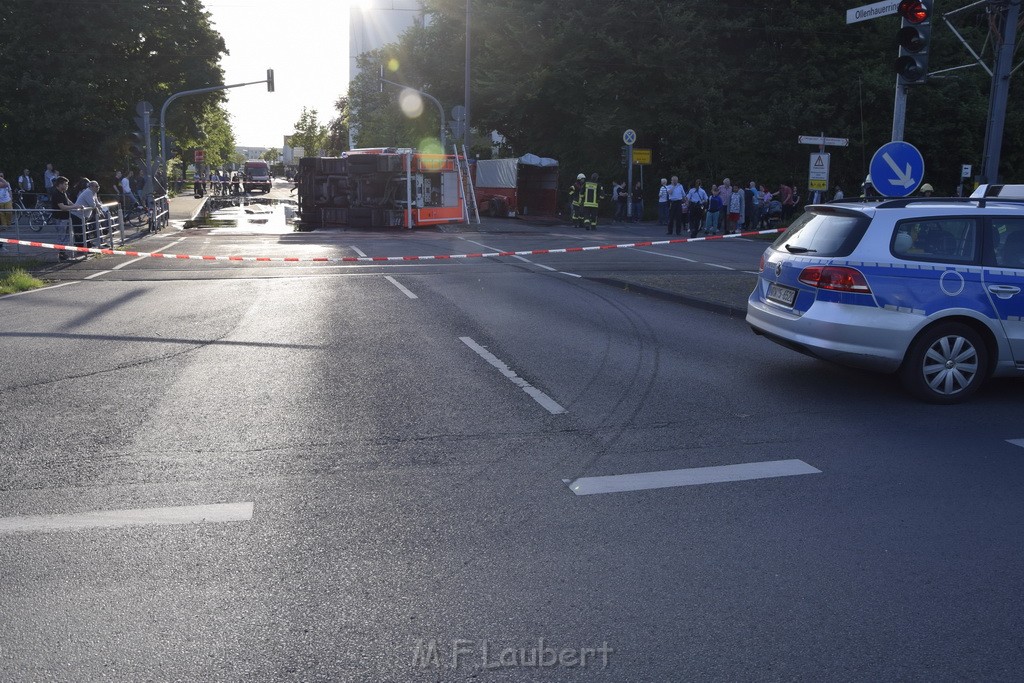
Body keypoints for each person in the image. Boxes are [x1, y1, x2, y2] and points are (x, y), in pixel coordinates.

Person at [48, 176, 82, 260]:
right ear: (59, 185)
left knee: (66, 235)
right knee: (61, 236)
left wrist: (76, 205)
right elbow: (62, 207)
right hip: (59, 218)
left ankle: (63, 252)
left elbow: (68, 202)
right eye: (65, 184)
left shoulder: (63, 193)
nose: (67, 186)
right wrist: (75, 207)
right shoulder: (56, 193)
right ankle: (61, 253)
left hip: (65, 218)